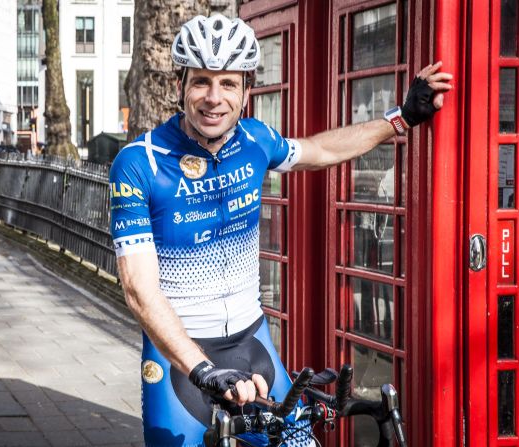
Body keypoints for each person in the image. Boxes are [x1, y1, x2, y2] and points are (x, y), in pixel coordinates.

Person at [109, 14, 453, 447]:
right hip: (180, 360)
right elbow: (139, 290)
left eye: (228, 84)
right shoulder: (141, 164)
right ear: (181, 84)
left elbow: (320, 149)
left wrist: (399, 119)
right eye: (201, 82)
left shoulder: (255, 141)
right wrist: (203, 370)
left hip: (253, 345)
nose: (213, 98)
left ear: (247, 90)